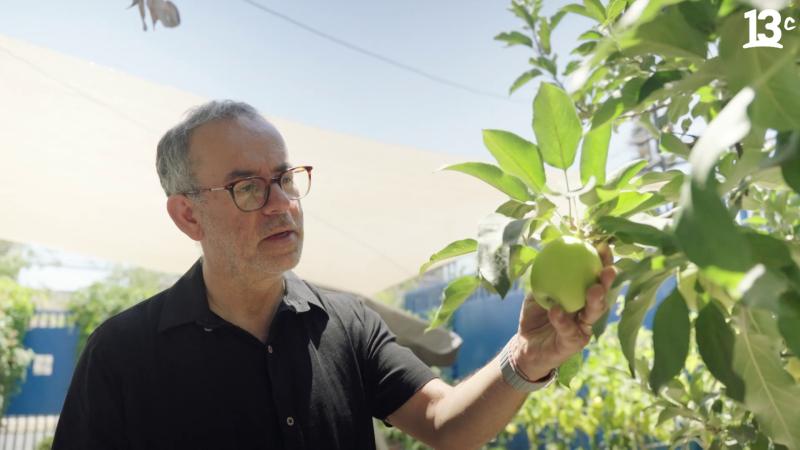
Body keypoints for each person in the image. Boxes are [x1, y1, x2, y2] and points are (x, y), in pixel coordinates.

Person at [52, 100, 616, 450]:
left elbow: (446, 424)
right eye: (247, 187)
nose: (281, 204)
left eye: (286, 178)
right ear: (187, 215)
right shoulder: (122, 356)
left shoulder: (346, 324)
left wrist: (529, 355)